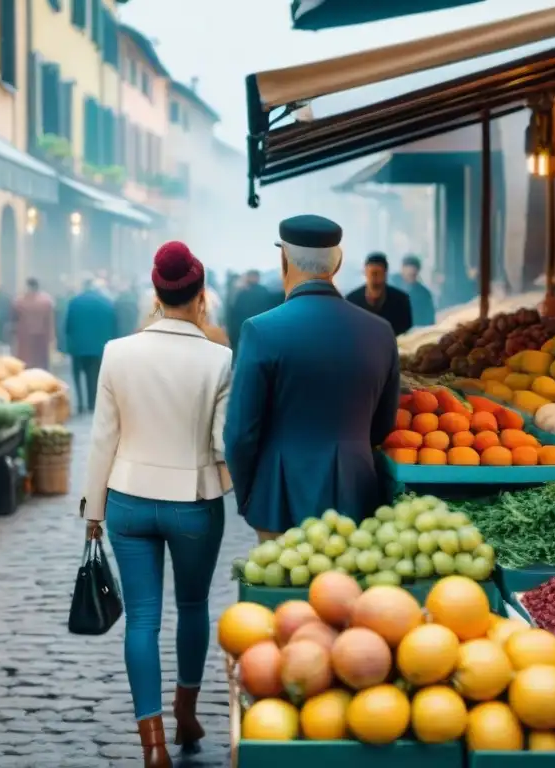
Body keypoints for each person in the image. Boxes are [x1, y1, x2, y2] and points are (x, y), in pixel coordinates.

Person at [82, 241, 232, 768]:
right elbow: (220, 444)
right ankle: (187, 713)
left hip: (126, 500)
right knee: (193, 608)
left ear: (156, 291)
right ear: (199, 293)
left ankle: (152, 745)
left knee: (141, 619)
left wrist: (93, 512)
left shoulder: (117, 352)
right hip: (193, 501)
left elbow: (103, 438)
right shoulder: (220, 359)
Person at [224, 216, 400, 539]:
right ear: (338, 262)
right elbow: (384, 424)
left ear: (284, 259)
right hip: (356, 492)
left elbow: (239, 433)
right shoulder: (380, 332)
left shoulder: (261, 330)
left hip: (280, 496)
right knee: (348, 588)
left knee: (280, 587)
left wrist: (249, 494)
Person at [65, 278, 117, 413]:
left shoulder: (74, 302)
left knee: (77, 376)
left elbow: (68, 325)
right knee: (94, 375)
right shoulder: (106, 302)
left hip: (78, 346)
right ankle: (92, 403)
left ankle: (80, 403)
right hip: (99, 347)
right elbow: (113, 325)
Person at [346, 253, 414, 337]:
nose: (374, 277)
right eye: (372, 273)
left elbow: (405, 332)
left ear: (385, 273)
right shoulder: (351, 300)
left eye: (378, 273)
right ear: (365, 272)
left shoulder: (401, 300)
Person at [11, 277, 56, 370]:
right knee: (41, 365)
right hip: (42, 339)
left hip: (24, 338)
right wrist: (51, 338)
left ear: (28, 286)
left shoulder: (19, 302)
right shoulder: (47, 301)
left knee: (26, 364)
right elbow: (50, 322)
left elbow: (13, 321)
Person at [228, 269, 275, 352]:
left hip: (245, 331)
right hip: (263, 331)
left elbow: (234, 316)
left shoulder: (243, 293)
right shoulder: (265, 291)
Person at [395, 255, 436, 327]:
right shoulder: (391, 287)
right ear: (402, 270)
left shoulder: (424, 294)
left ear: (418, 272)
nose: (411, 278)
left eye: (413, 275)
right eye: (409, 275)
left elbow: (430, 320)